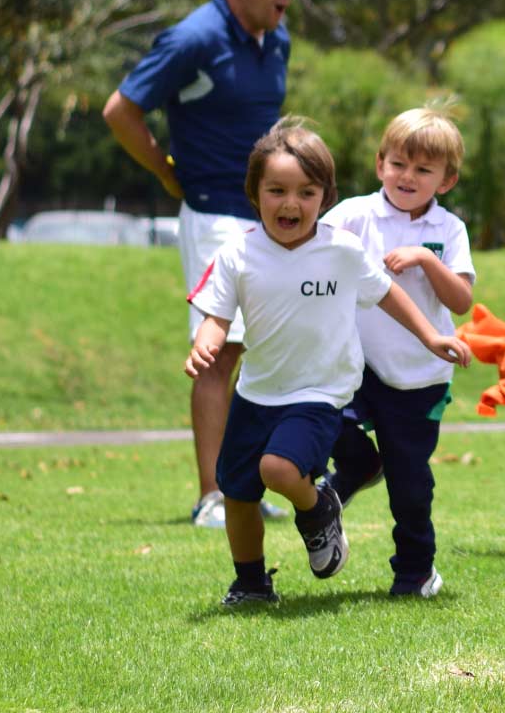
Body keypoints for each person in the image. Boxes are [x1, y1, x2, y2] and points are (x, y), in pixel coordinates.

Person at [183, 119, 470, 606]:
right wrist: (205, 344)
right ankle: (251, 582)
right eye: (276, 190)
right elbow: (216, 316)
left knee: (278, 468)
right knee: (237, 492)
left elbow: (387, 295)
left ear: (324, 196)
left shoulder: (341, 248)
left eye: (306, 192)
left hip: (319, 393)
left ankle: (318, 511)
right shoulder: (237, 253)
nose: (290, 204)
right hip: (255, 393)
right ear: (254, 192)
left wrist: (431, 335)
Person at [104, 0, 316, 529]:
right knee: (218, 352)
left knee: (262, 349)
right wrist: (166, 173)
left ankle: (242, 485)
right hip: (213, 216)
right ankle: (213, 497)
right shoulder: (194, 37)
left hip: (268, 219)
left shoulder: (276, 40)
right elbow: (121, 110)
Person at [318, 107, 474, 598]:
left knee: (410, 484)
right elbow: (311, 256)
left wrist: (427, 259)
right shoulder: (351, 216)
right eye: (399, 163)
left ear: (445, 180)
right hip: (352, 364)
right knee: (323, 424)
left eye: (424, 169)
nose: (408, 176)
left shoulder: (449, 230)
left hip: (418, 377)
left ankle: (414, 572)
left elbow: (462, 302)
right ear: (380, 162)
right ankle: (359, 467)